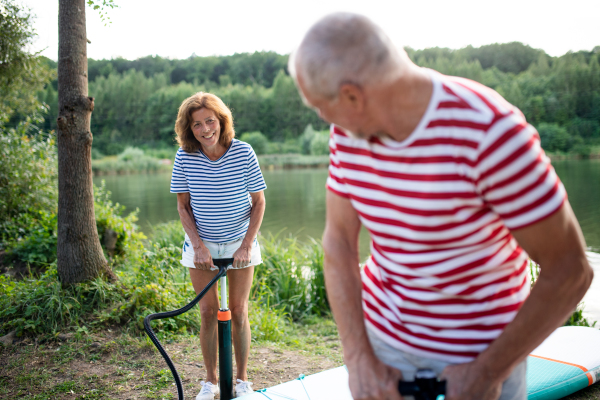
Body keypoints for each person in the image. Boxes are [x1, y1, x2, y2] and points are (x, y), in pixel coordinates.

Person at [289, 13, 593, 400]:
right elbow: (338, 244)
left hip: (484, 354)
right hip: (386, 346)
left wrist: (486, 372)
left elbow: (570, 270)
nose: (321, 117)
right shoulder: (348, 133)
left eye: (319, 106)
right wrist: (360, 359)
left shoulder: (491, 132)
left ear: (352, 95)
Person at [170, 92, 267, 400]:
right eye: (197, 124)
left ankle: (241, 381)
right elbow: (183, 206)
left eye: (210, 121)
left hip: (240, 241)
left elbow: (259, 201)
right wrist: (198, 246)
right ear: (189, 128)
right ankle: (210, 382)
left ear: (222, 121)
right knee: (208, 312)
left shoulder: (243, 152)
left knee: (238, 311)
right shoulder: (185, 156)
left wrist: (247, 245)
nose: (205, 129)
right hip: (202, 245)